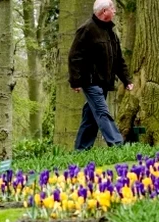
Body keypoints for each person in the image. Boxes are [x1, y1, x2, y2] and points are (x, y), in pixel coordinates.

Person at [68, 0, 134, 150]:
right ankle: (118, 145)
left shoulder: (111, 32)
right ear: (104, 11)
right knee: (102, 112)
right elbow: (74, 57)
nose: (115, 11)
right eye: (112, 8)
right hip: (90, 81)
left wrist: (126, 80)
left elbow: (118, 60)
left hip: (104, 81)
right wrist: (75, 81)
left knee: (90, 116)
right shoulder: (86, 29)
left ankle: (81, 149)